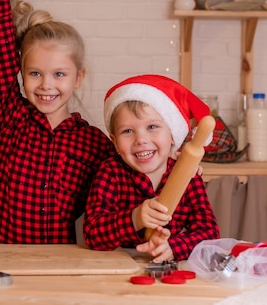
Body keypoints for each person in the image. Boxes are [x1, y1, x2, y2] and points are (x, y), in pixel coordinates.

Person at [0, 0, 114, 244]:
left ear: (78, 77)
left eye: (59, 74)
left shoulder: (94, 144)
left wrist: (176, 161)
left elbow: (131, 175)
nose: (47, 85)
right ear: (21, 75)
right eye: (35, 73)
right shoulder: (13, 115)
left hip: (53, 262)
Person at [83, 74, 220, 261]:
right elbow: (92, 233)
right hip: (117, 265)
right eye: (128, 131)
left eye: (152, 127)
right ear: (114, 142)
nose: (141, 140)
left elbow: (209, 233)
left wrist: (174, 247)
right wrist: (134, 218)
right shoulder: (111, 172)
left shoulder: (188, 175)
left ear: (172, 135)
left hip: (167, 265)